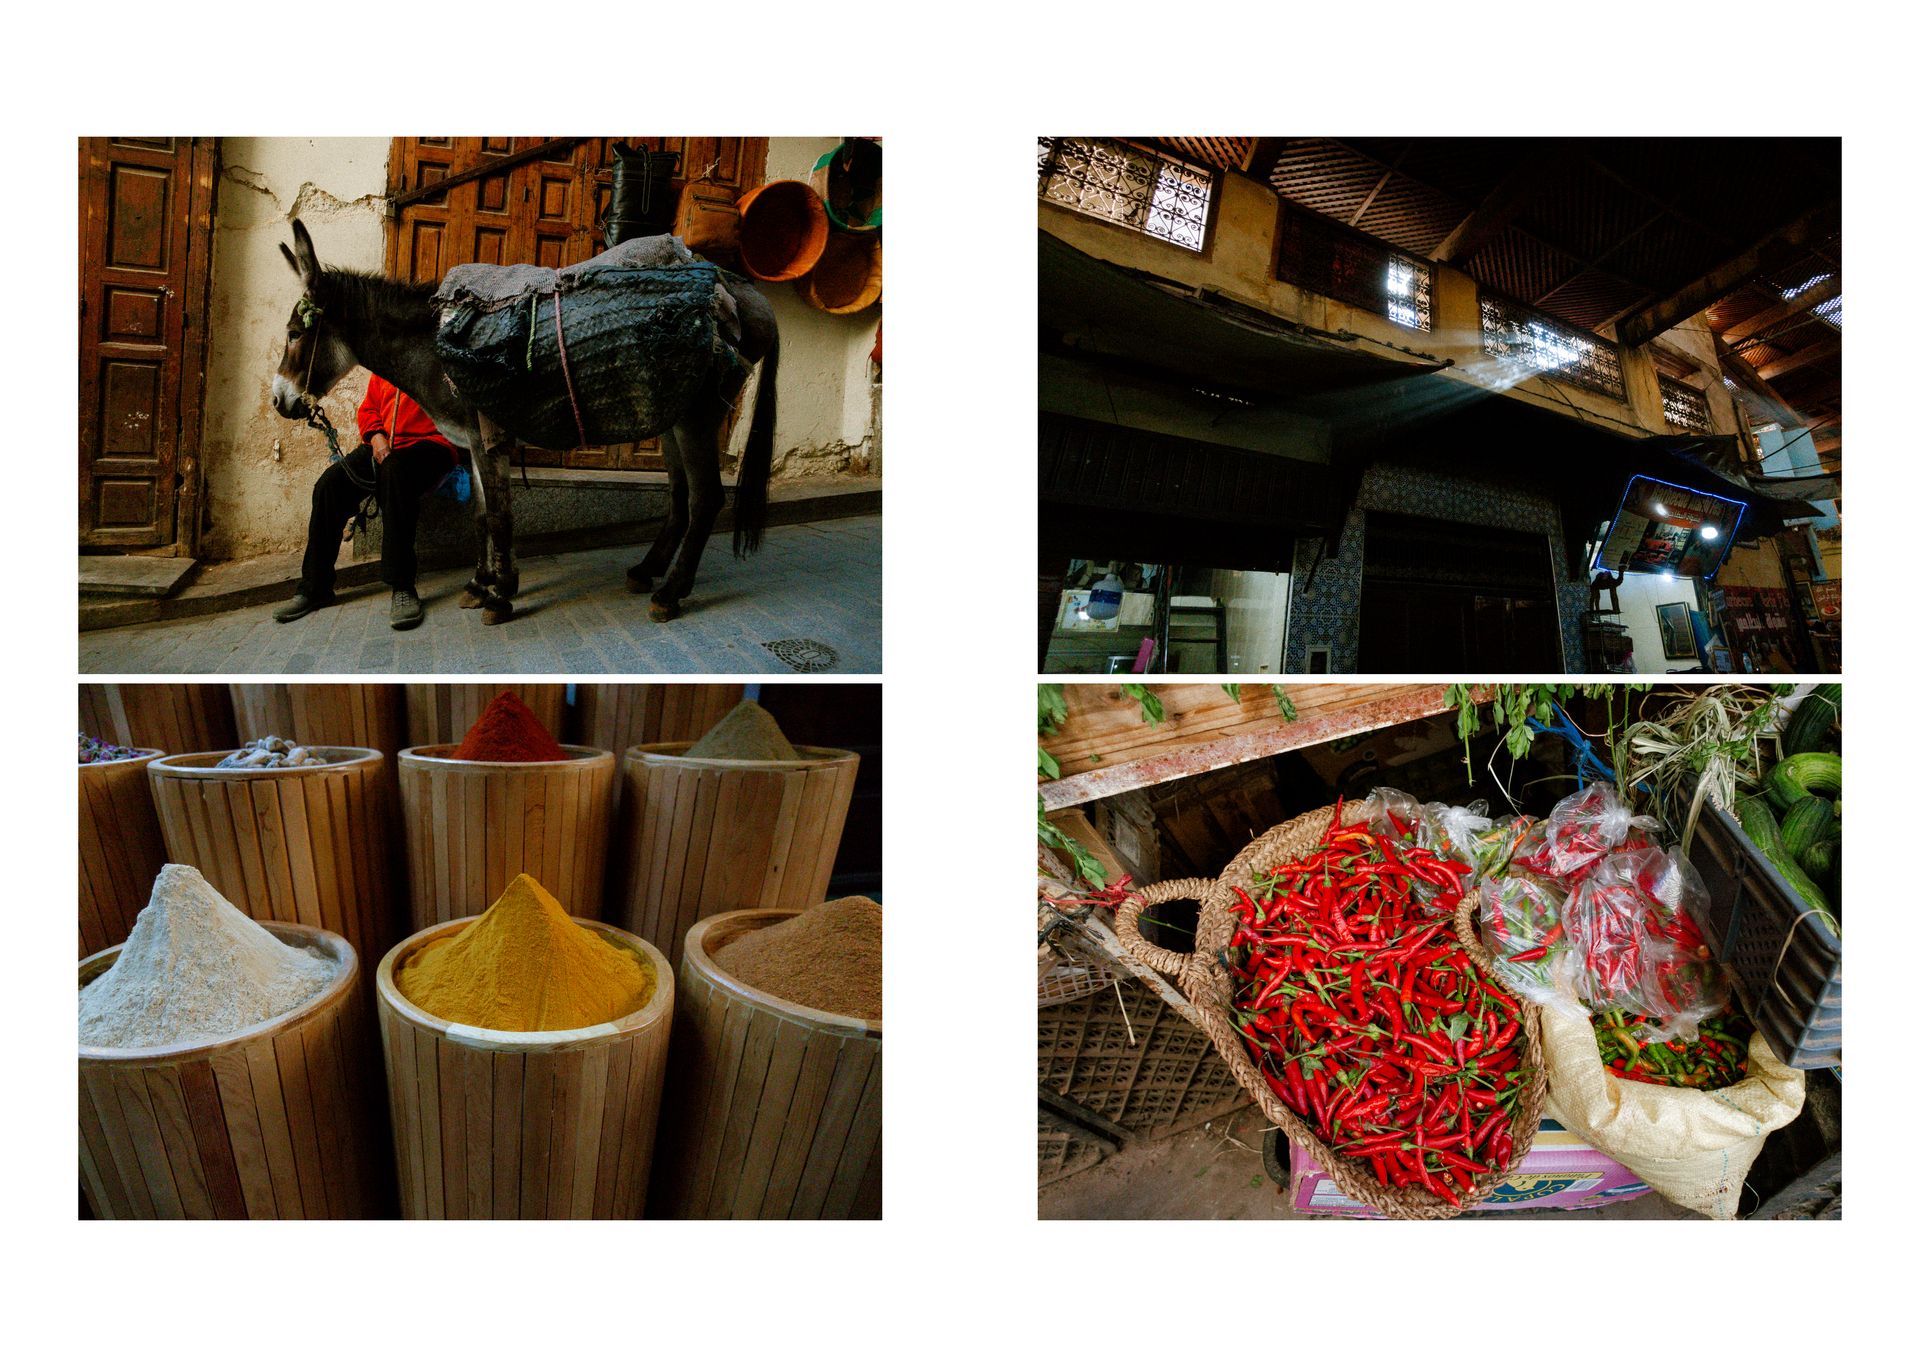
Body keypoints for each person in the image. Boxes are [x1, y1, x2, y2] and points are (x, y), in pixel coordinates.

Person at [274, 375, 461, 629]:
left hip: (429, 445)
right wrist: (376, 436)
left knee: (394, 472)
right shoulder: (384, 364)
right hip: (382, 444)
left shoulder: (434, 357)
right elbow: (368, 409)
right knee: (329, 486)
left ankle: (402, 585)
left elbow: (456, 406)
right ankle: (315, 587)